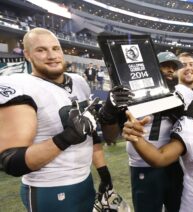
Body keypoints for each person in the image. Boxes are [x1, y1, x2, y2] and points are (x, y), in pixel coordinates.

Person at [0, 28, 114, 212]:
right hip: (49, 187)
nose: (51, 55)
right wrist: (67, 137)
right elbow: (11, 161)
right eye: (41, 50)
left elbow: (90, 133)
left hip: (85, 180)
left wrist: (103, 172)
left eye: (55, 48)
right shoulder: (20, 85)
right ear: (27, 54)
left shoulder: (79, 82)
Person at [99, 51, 185, 212]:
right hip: (142, 166)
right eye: (165, 66)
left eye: (173, 67)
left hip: (173, 166)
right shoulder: (132, 95)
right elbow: (110, 137)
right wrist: (109, 112)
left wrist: (180, 114)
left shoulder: (180, 96)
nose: (170, 70)